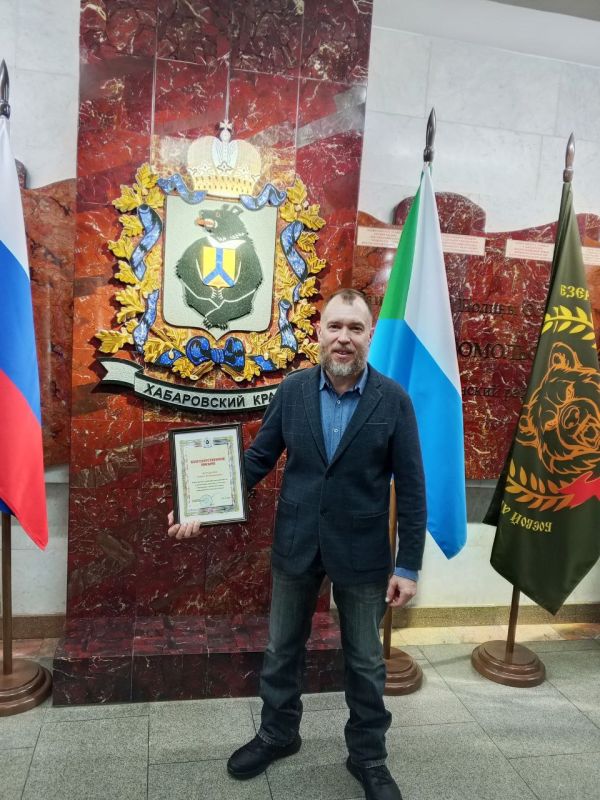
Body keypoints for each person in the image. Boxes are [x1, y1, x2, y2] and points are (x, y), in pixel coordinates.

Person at [168, 288, 426, 800]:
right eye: (335, 326)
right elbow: (258, 459)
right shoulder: (292, 391)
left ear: (370, 335)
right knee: (282, 649)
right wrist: (200, 507)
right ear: (318, 332)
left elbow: (414, 488)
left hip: (362, 553)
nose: (344, 338)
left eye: (355, 328)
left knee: (365, 662)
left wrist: (409, 566)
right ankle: (278, 734)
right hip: (296, 542)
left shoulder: (393, 399)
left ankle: (368, 756)